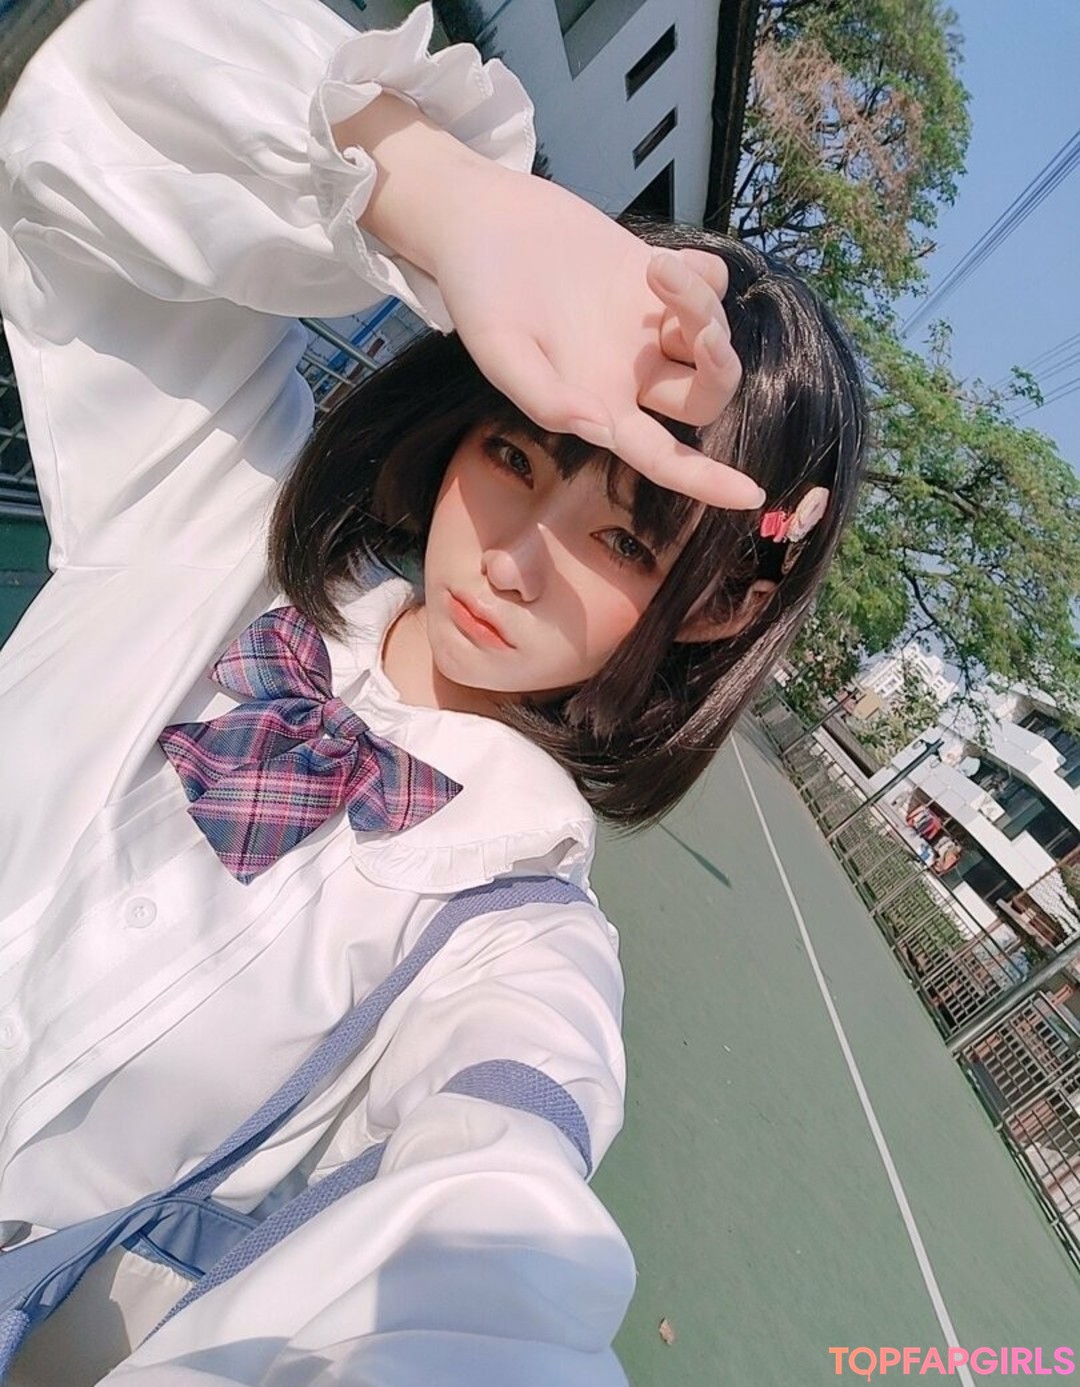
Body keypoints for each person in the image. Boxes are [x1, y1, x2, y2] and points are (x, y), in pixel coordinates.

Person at [0, 0, 865, 1381]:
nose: (513, 560)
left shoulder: (515, 943)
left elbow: (493, 1230)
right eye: (517, 456)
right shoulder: (212, 522)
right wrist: (445, 196)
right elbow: (84, 102)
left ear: (714, 606)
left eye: (625, 540)